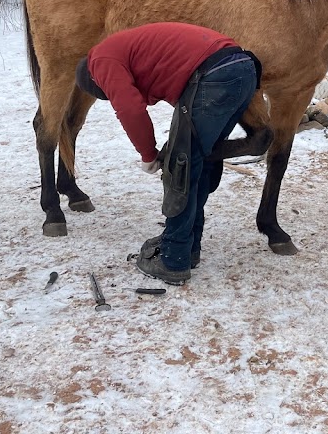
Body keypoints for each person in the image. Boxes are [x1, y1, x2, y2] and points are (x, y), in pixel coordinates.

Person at [75, 22, 261, 285]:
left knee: (180, 166)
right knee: (199, 159)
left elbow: (130, 109)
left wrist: (149, 155)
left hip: (214, 74)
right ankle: (189, 246)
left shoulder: (100, 61)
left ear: (97, 82)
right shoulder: (128, 50)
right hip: (241, 68)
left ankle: (173, 259)